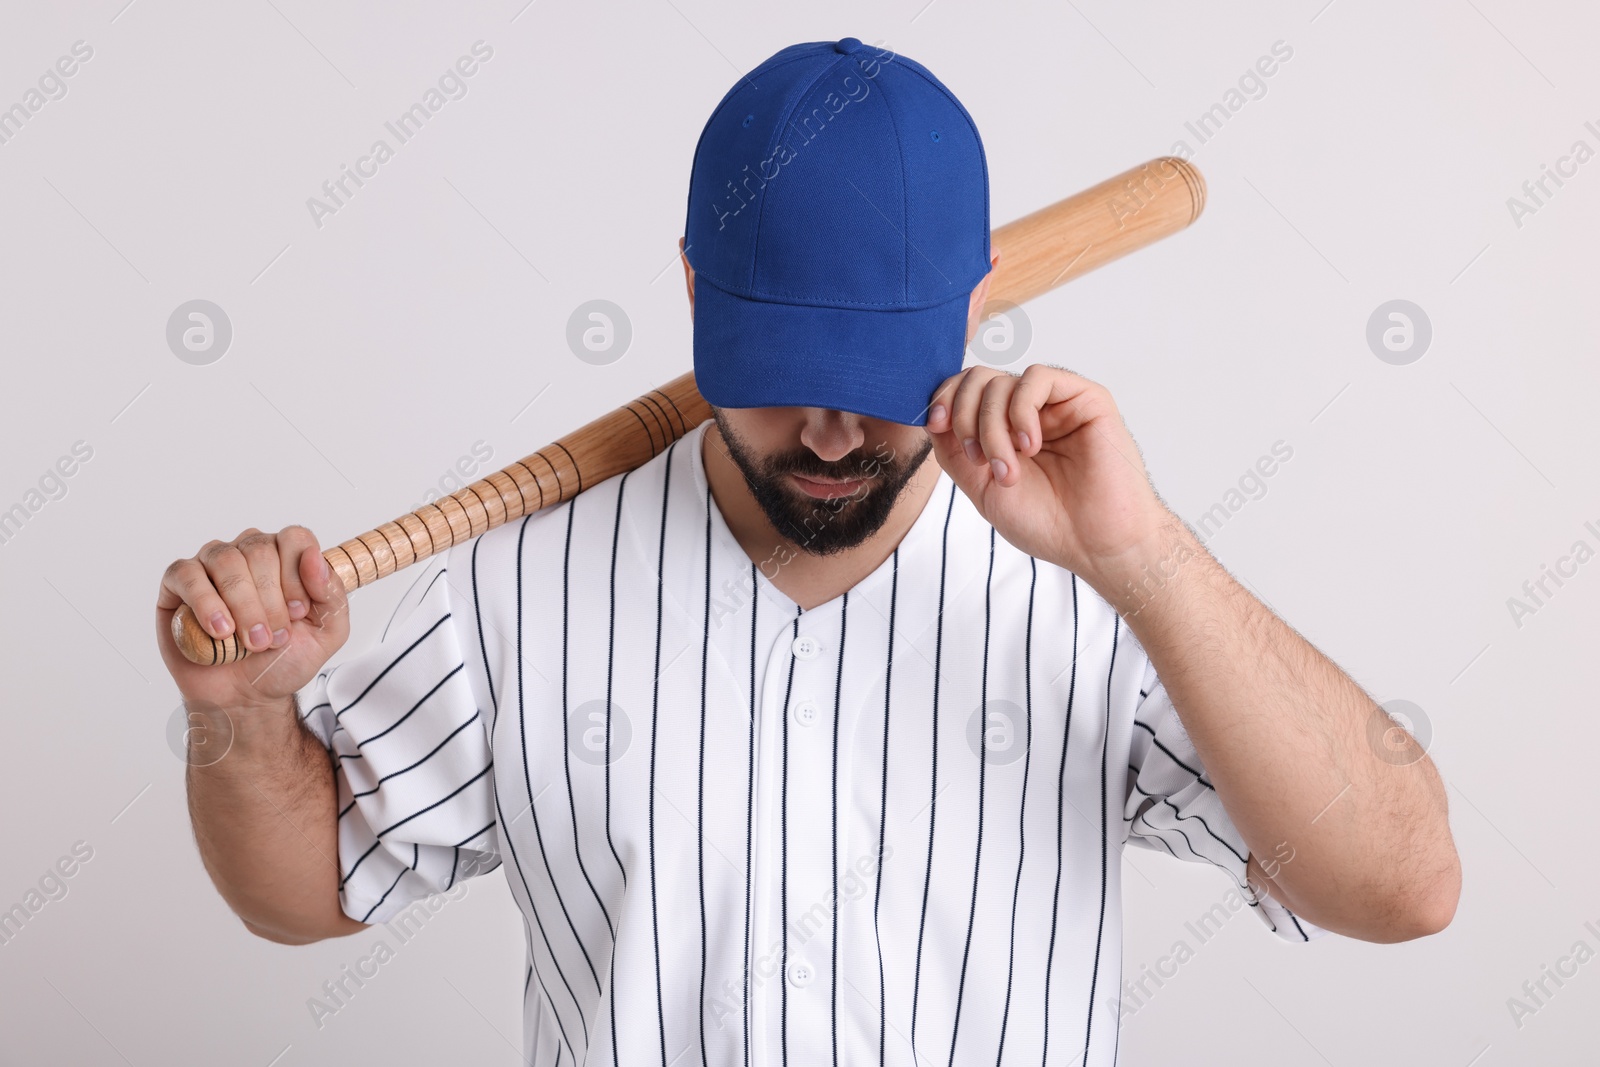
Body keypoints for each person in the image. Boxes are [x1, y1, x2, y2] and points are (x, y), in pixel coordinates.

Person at [159, 37, 1459, 1067]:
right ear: (690, 289)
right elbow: (305, 892)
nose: (832, 429)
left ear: (972, 306)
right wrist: (245, 713)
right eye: (784, 372)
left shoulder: (1102, 585)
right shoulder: (516, 582)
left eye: (875, 373)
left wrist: (1148, 553)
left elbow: (1403, 885)